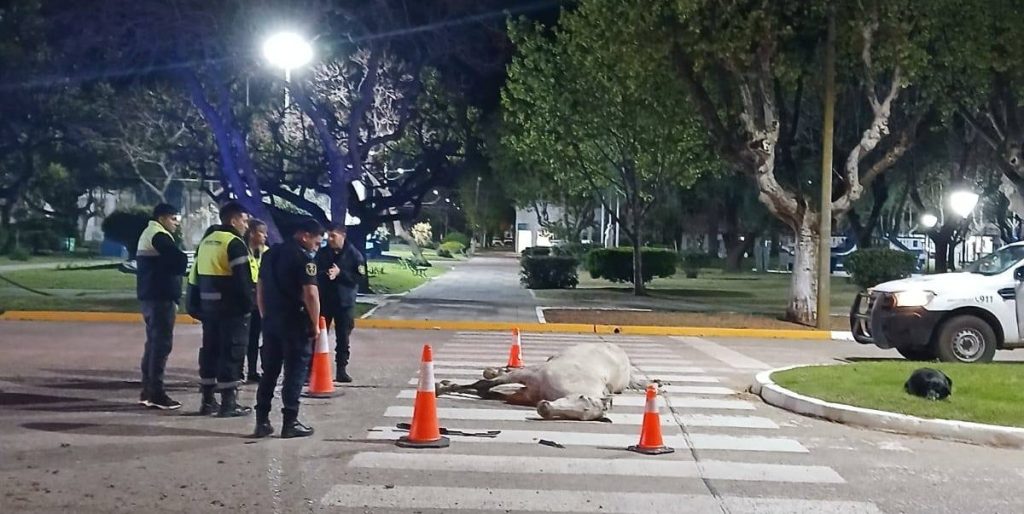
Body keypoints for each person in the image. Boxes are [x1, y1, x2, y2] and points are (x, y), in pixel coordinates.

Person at [253, 218, 323, 438]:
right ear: (304, 235)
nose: (316, 247)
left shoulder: (270, 254)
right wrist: (315, 324)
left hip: (272, 321)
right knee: (294, 372)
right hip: (295, 322)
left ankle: (262, 421)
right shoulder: (304, 258)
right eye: (316, 242)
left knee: (269, 372)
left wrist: (265, 315)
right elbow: (311, 294)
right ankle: (290, 422)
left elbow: (260, 288)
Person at [186, 201, 254, 417]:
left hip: (208, 309)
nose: (246, 226)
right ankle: (228, 403)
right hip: (231, 310)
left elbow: (194, 276)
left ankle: (207, 401)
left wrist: (193, 305)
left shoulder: (206, 241)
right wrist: (248, 306)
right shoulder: (234, 243)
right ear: (233, 220)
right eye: (244, 221)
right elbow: (243, 280)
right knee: (232, 352)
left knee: (210, 351)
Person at [135, 203, 188, 410]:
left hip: (151, 296)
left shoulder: (150, 233)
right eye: (174, 219)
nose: (176, 223)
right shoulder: (158, 234)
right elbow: (178, 259)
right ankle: (156, 393)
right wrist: (181, 260)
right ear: (162, 218)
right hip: (160, 297)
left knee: (153, 344)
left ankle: (148, 391)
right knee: (161, 345)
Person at [314, 223, 365, 383]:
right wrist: (326, 273)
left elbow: (359, 278)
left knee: (343, 338)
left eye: (333, 236)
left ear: (343, 235)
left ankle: (341, 370)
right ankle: (312, 370)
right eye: (328, 236)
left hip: (344, 303)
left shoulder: (354, 254)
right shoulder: (323, 253)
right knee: (318, 336)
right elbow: (314, 272)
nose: (330, 239)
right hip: (325, 301)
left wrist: (340, 273)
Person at [242, 219, 269, 384]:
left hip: (261, 299)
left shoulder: (267, 252)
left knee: (258, 337)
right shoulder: (241, 250)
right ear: (251, 233)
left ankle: (255, 370)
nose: (265, 236)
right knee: (244, 338)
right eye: (262, 232)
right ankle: (241, 371)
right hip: (245, 297)